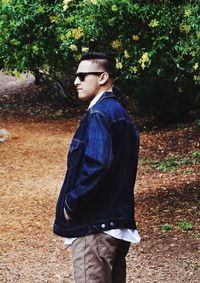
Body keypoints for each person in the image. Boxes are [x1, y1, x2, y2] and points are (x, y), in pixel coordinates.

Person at [53, 52, 140, 283]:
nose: (75, 82)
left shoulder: (99, 114)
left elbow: (96, 164)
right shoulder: (120, 115)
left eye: (82, 76)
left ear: (103, 77)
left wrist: (72, 203)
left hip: (94, 228)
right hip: (114, 226)